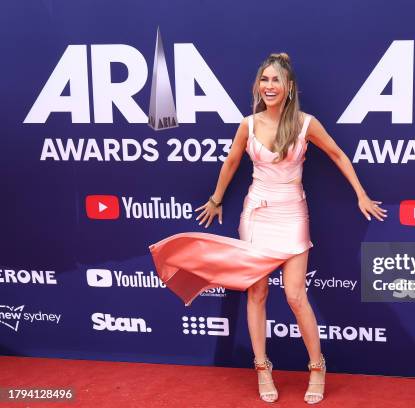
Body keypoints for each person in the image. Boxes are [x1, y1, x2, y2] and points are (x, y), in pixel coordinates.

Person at [149, 52, 386, 404]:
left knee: (294, 295)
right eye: (264, 80)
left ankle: (317, 367)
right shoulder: (248, 123)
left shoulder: (306, 124)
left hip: (292, 214)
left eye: (276, 80)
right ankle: (262, 367)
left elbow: (337, 154)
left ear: (289, 87)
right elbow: (231, 161)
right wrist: (215, 199)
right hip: (257, 214)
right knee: (256, 293)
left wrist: (361, 195)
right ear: (257, 86)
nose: (269, 86)